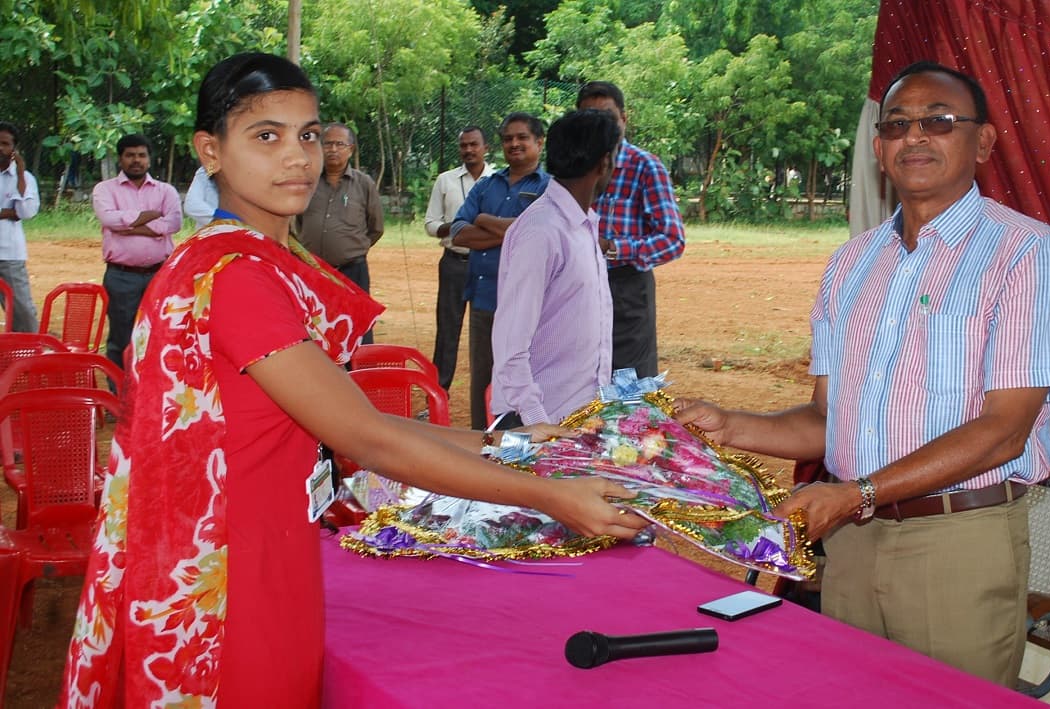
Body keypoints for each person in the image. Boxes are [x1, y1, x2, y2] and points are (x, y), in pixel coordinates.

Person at [60, 53, 646, 709]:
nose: (298, 157)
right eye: (266, 135)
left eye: (308, 134)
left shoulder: (247, 258)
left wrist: (514, 443)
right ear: (210, 151)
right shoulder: (237, 277)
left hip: (260, 549)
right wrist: (551, 496)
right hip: (234, 578)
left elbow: (356, 424)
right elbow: (369, 439)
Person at [675, 61, 1050, 686]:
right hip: (854, 543)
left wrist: (856, 493)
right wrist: (729, 425)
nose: (914, 137)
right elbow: (825, 422)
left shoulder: (1026, 252)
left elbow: (1004, 431)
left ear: (984, 142)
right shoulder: (853, 263)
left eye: (939, 121)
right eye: (897, 125)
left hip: (957, 542)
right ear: (878, 148)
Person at [491, 109, 620, 428]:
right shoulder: (543, 230)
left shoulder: (583, 225)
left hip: (578, 418)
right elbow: (510, 344)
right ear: (604, 163)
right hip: (539, 423)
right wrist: (537, 423)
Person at [576, 82, 685, 378]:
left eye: (608, 118)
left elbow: (672, 240)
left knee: (629, 382)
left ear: (624, 119)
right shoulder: (571, 168)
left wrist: (613, 247)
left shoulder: (645, 167)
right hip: (575, 287)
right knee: (577, 378)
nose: (600, 127)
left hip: (626, 289)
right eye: (590, 118)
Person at [450, 112, 549, 429]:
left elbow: (542, 233)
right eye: (508, 138)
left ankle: (526, 446)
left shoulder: (551, 188)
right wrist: (515, 230)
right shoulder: (486, 186)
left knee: (529, 379)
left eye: (522, 137)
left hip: (531, 305)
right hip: (485, 299)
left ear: (539, 143)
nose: (514, 144)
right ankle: (485, 444)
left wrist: (484, 220)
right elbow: (459, 232)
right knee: (484, 378)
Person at [92, 133, 183, 370]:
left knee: (161, 333)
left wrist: (128, 226)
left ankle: (152, 395)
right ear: (120, 159)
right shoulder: (105, 189)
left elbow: (173, 224)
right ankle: (119, 396)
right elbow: (109, 219)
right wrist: (152, 216)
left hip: (160, 275)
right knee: (122, 337)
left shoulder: (166, 191)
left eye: (141, 155)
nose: (136, 160)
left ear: (149, 160)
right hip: (121, 276)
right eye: (130, 155)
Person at [295, 122, 384, 343]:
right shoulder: (307, 181)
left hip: (352, 270)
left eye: (339, 144)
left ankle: (359, 374)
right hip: (313, 271)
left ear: (351, 149)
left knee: (358, 325)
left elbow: (376, 227)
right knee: (315, 326)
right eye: (327, 144)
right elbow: (295, 222)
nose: (333, 149)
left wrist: (350, 249)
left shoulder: (363, 184)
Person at [424, 126, 494, 391]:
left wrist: (471, 232)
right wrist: (457, 228)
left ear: (486, 148)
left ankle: (489, 397)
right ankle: (438, 392)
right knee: (447, 331)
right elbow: (431, 224)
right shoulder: (445, 180)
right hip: (453, 263)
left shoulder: (499, 180)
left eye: (474, 144)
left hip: (487, 264)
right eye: (463, 145)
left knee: (488, 331)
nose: (468, 150)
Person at [0, 121, 39, 332]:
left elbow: (26, 212)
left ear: (14, 149)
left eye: (5, 144)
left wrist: (21, 173)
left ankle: (26, 359)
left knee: (21, 311)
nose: (0, 148)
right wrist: (7, 212)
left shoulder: (26, 179)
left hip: (9, 255)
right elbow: (16, 213)